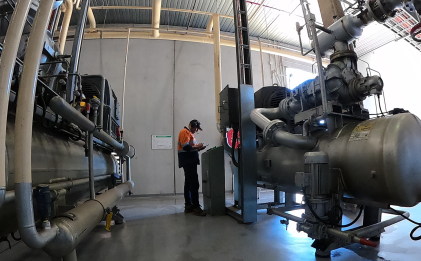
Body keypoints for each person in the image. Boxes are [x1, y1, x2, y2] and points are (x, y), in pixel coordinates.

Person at [177, 119, 207, 216]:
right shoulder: (184, 132)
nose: (196, 130)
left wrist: (198, 148)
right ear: (191, 125)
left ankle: (188, 206)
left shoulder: (189, 133)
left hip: (189, 161)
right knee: (194, 183)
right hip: (188, 161)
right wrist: (197, 146)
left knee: (188, 183)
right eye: (196, 128)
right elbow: (185, 147)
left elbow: (189, 147)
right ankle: (196, 207)